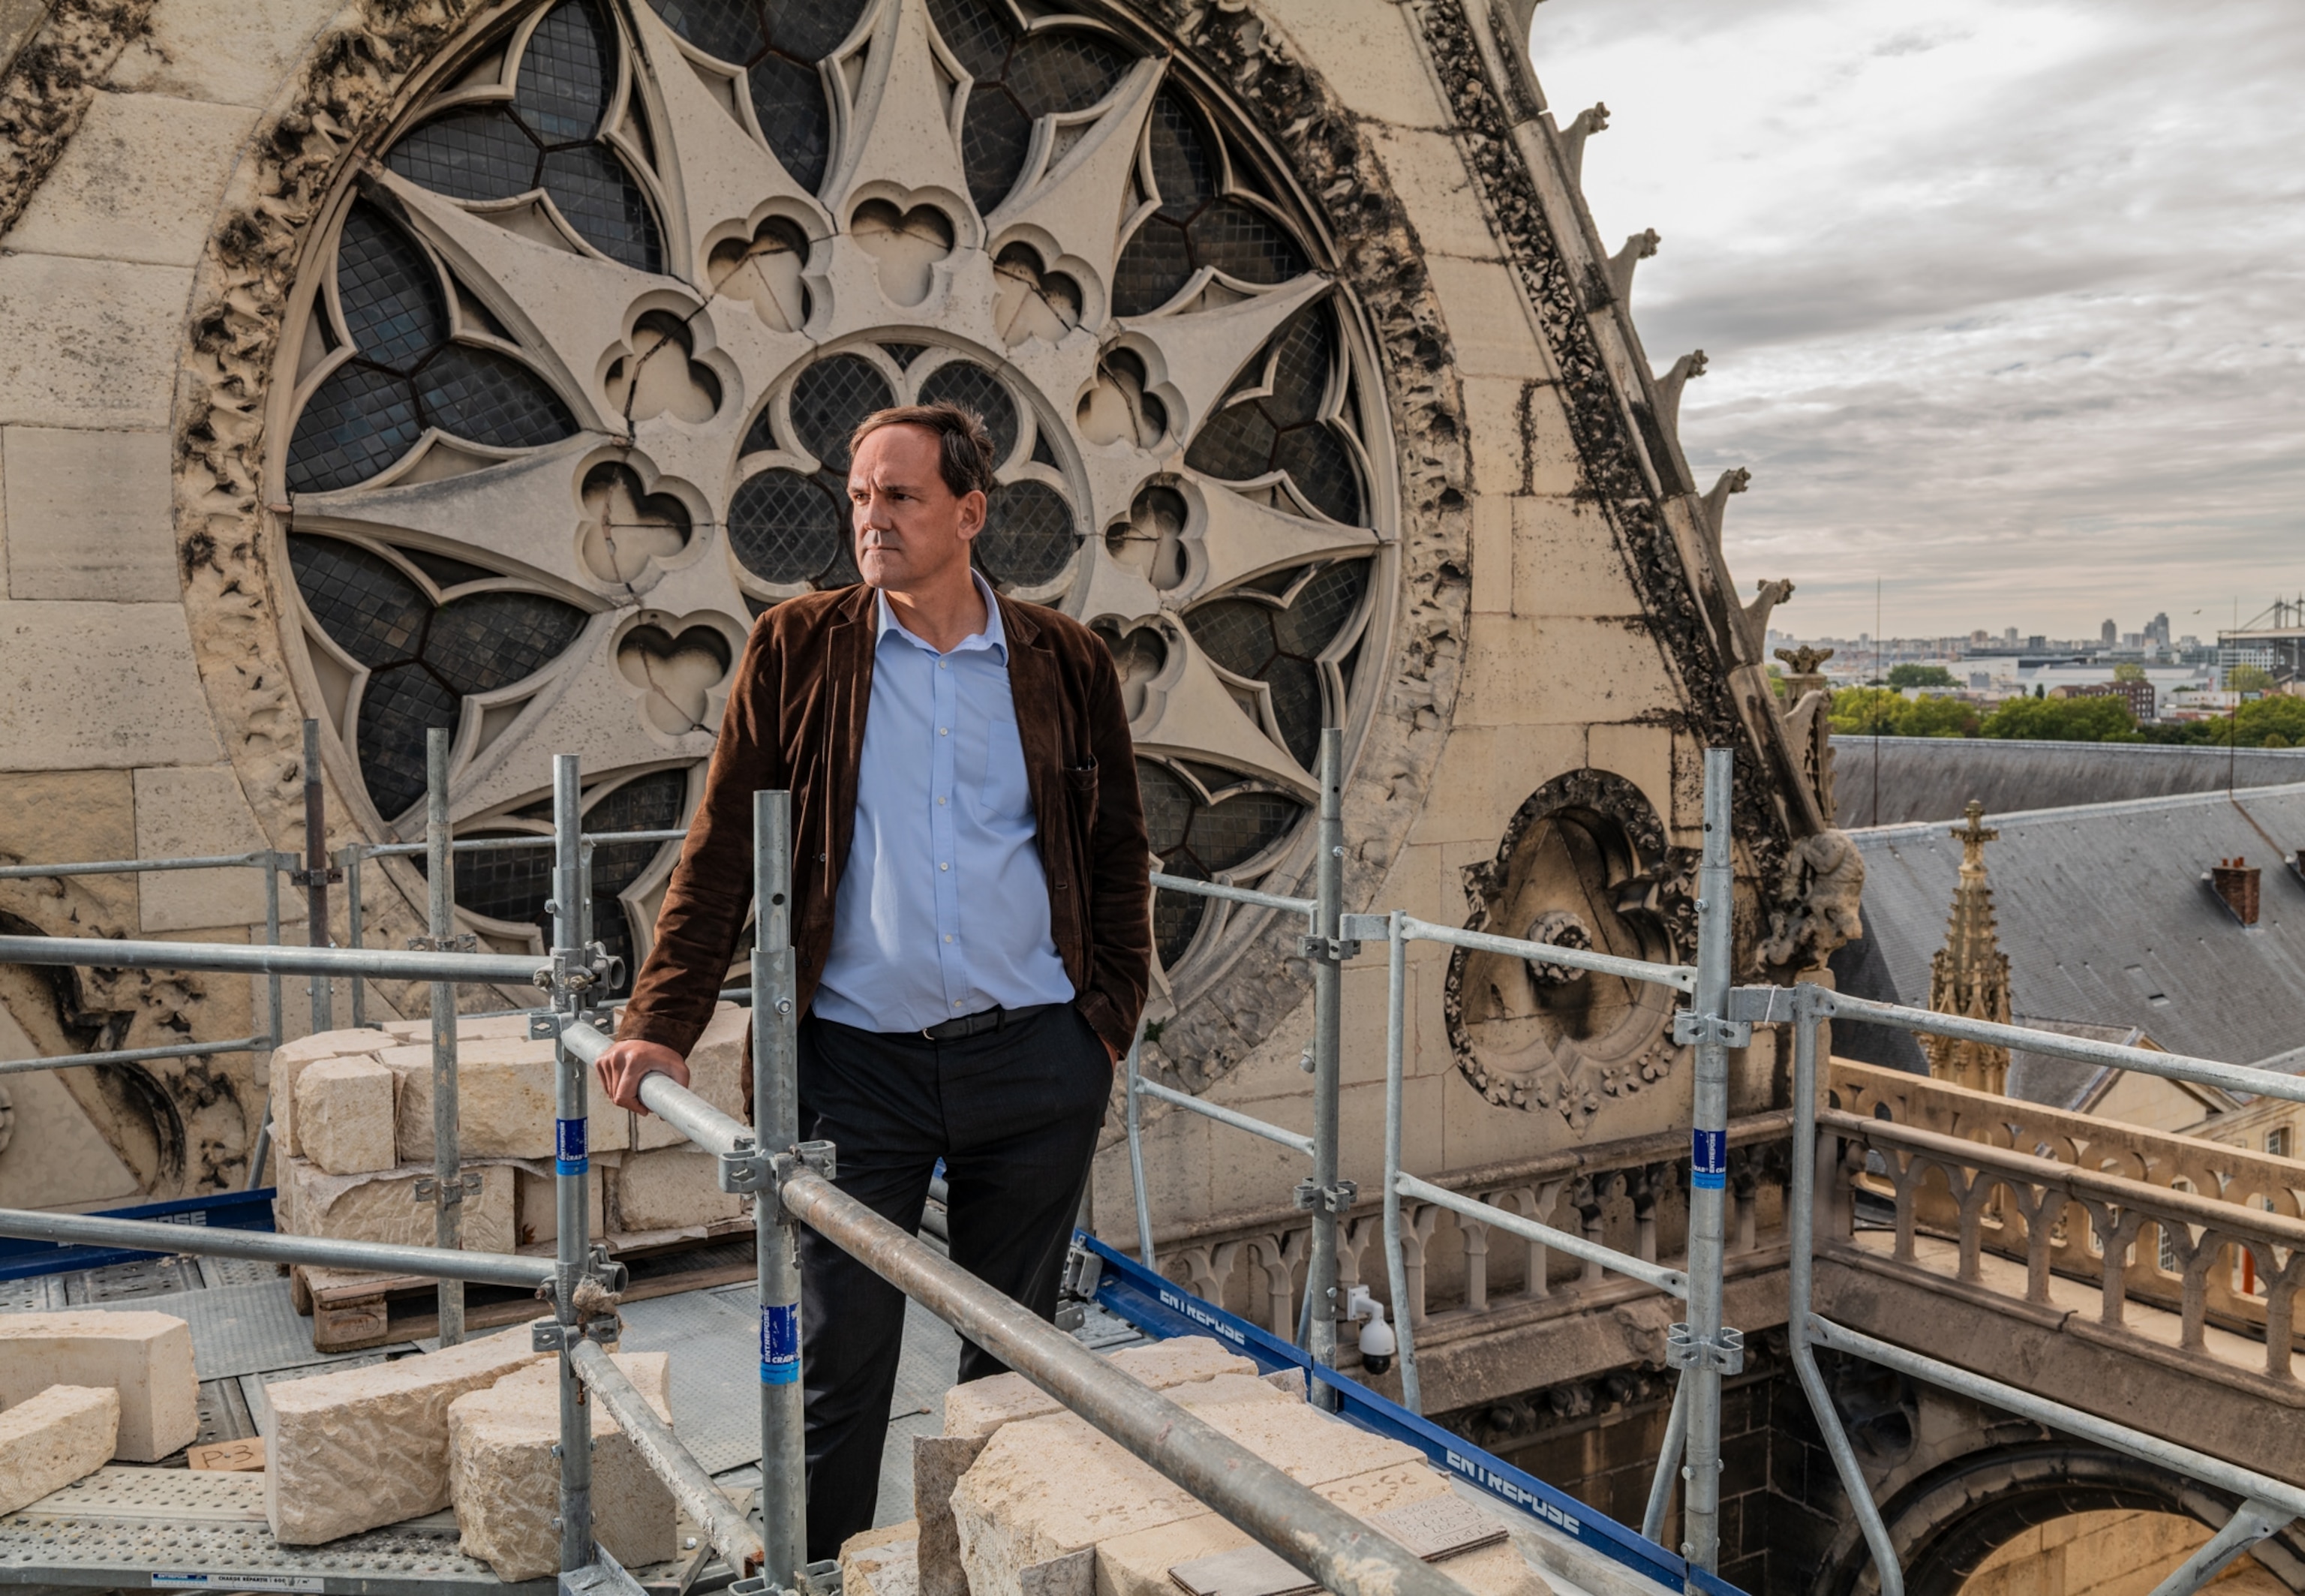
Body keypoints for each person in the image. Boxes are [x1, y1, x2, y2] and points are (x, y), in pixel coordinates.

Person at [592, 400, 1150, 1556]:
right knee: (839, 1372)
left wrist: (1103, 1026)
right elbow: (721, 852)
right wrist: (661, 1022)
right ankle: (822, 1580)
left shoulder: (1064, 660)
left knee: (1010, 1377)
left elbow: (1114, 852)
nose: (871, 518)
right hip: (859, 1071)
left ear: (969, 511)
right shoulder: (797, 648)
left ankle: (972, 1580)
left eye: (899, 496)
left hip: (1036, 1063)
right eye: (859, 495)